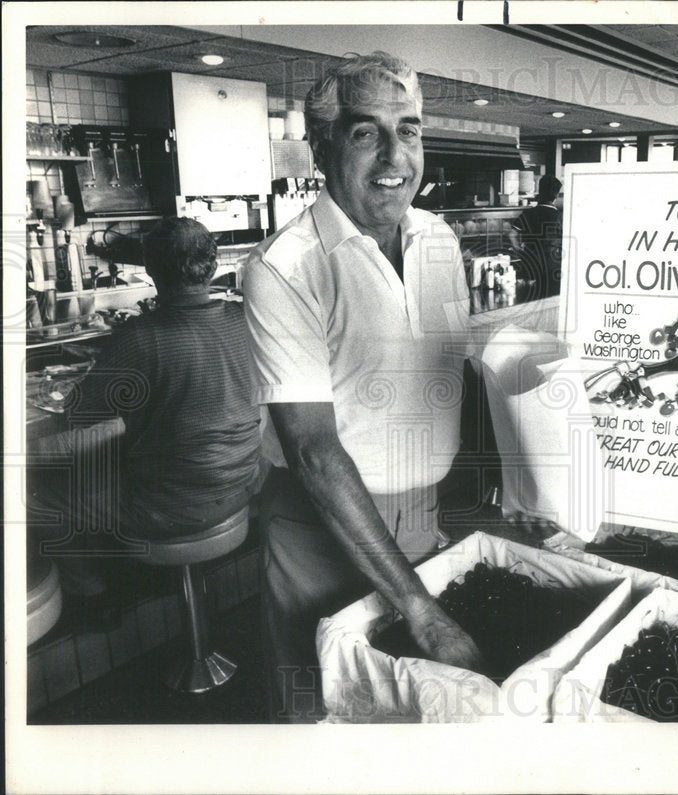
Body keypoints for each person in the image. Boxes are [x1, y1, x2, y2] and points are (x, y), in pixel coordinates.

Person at [241, 52, 483, 721]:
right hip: (322, 527)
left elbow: (446, 376)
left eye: (408, 130)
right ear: (321, 146)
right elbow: (315, 451)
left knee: (412, 713)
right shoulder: (285, 267)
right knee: (320, 707)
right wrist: (418, 605)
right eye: (365, 132)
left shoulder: (439, 241)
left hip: (423, 516)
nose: (393, 156)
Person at [28, 217, 260, 628]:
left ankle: (94, 598)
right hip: (241, 487)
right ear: (212, 265)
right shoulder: (245, 320)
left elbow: (79, 415)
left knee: (35, 492)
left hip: (168, 507)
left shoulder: (139, 338)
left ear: (152, 270)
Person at [509, 174, 563, 299]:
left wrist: (519, 249)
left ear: (540, 191)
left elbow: (512, 234)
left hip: (530, 266)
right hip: (552, 267)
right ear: (556, 196)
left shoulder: (529, 213)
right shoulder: (559, 216)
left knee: (529, 299)